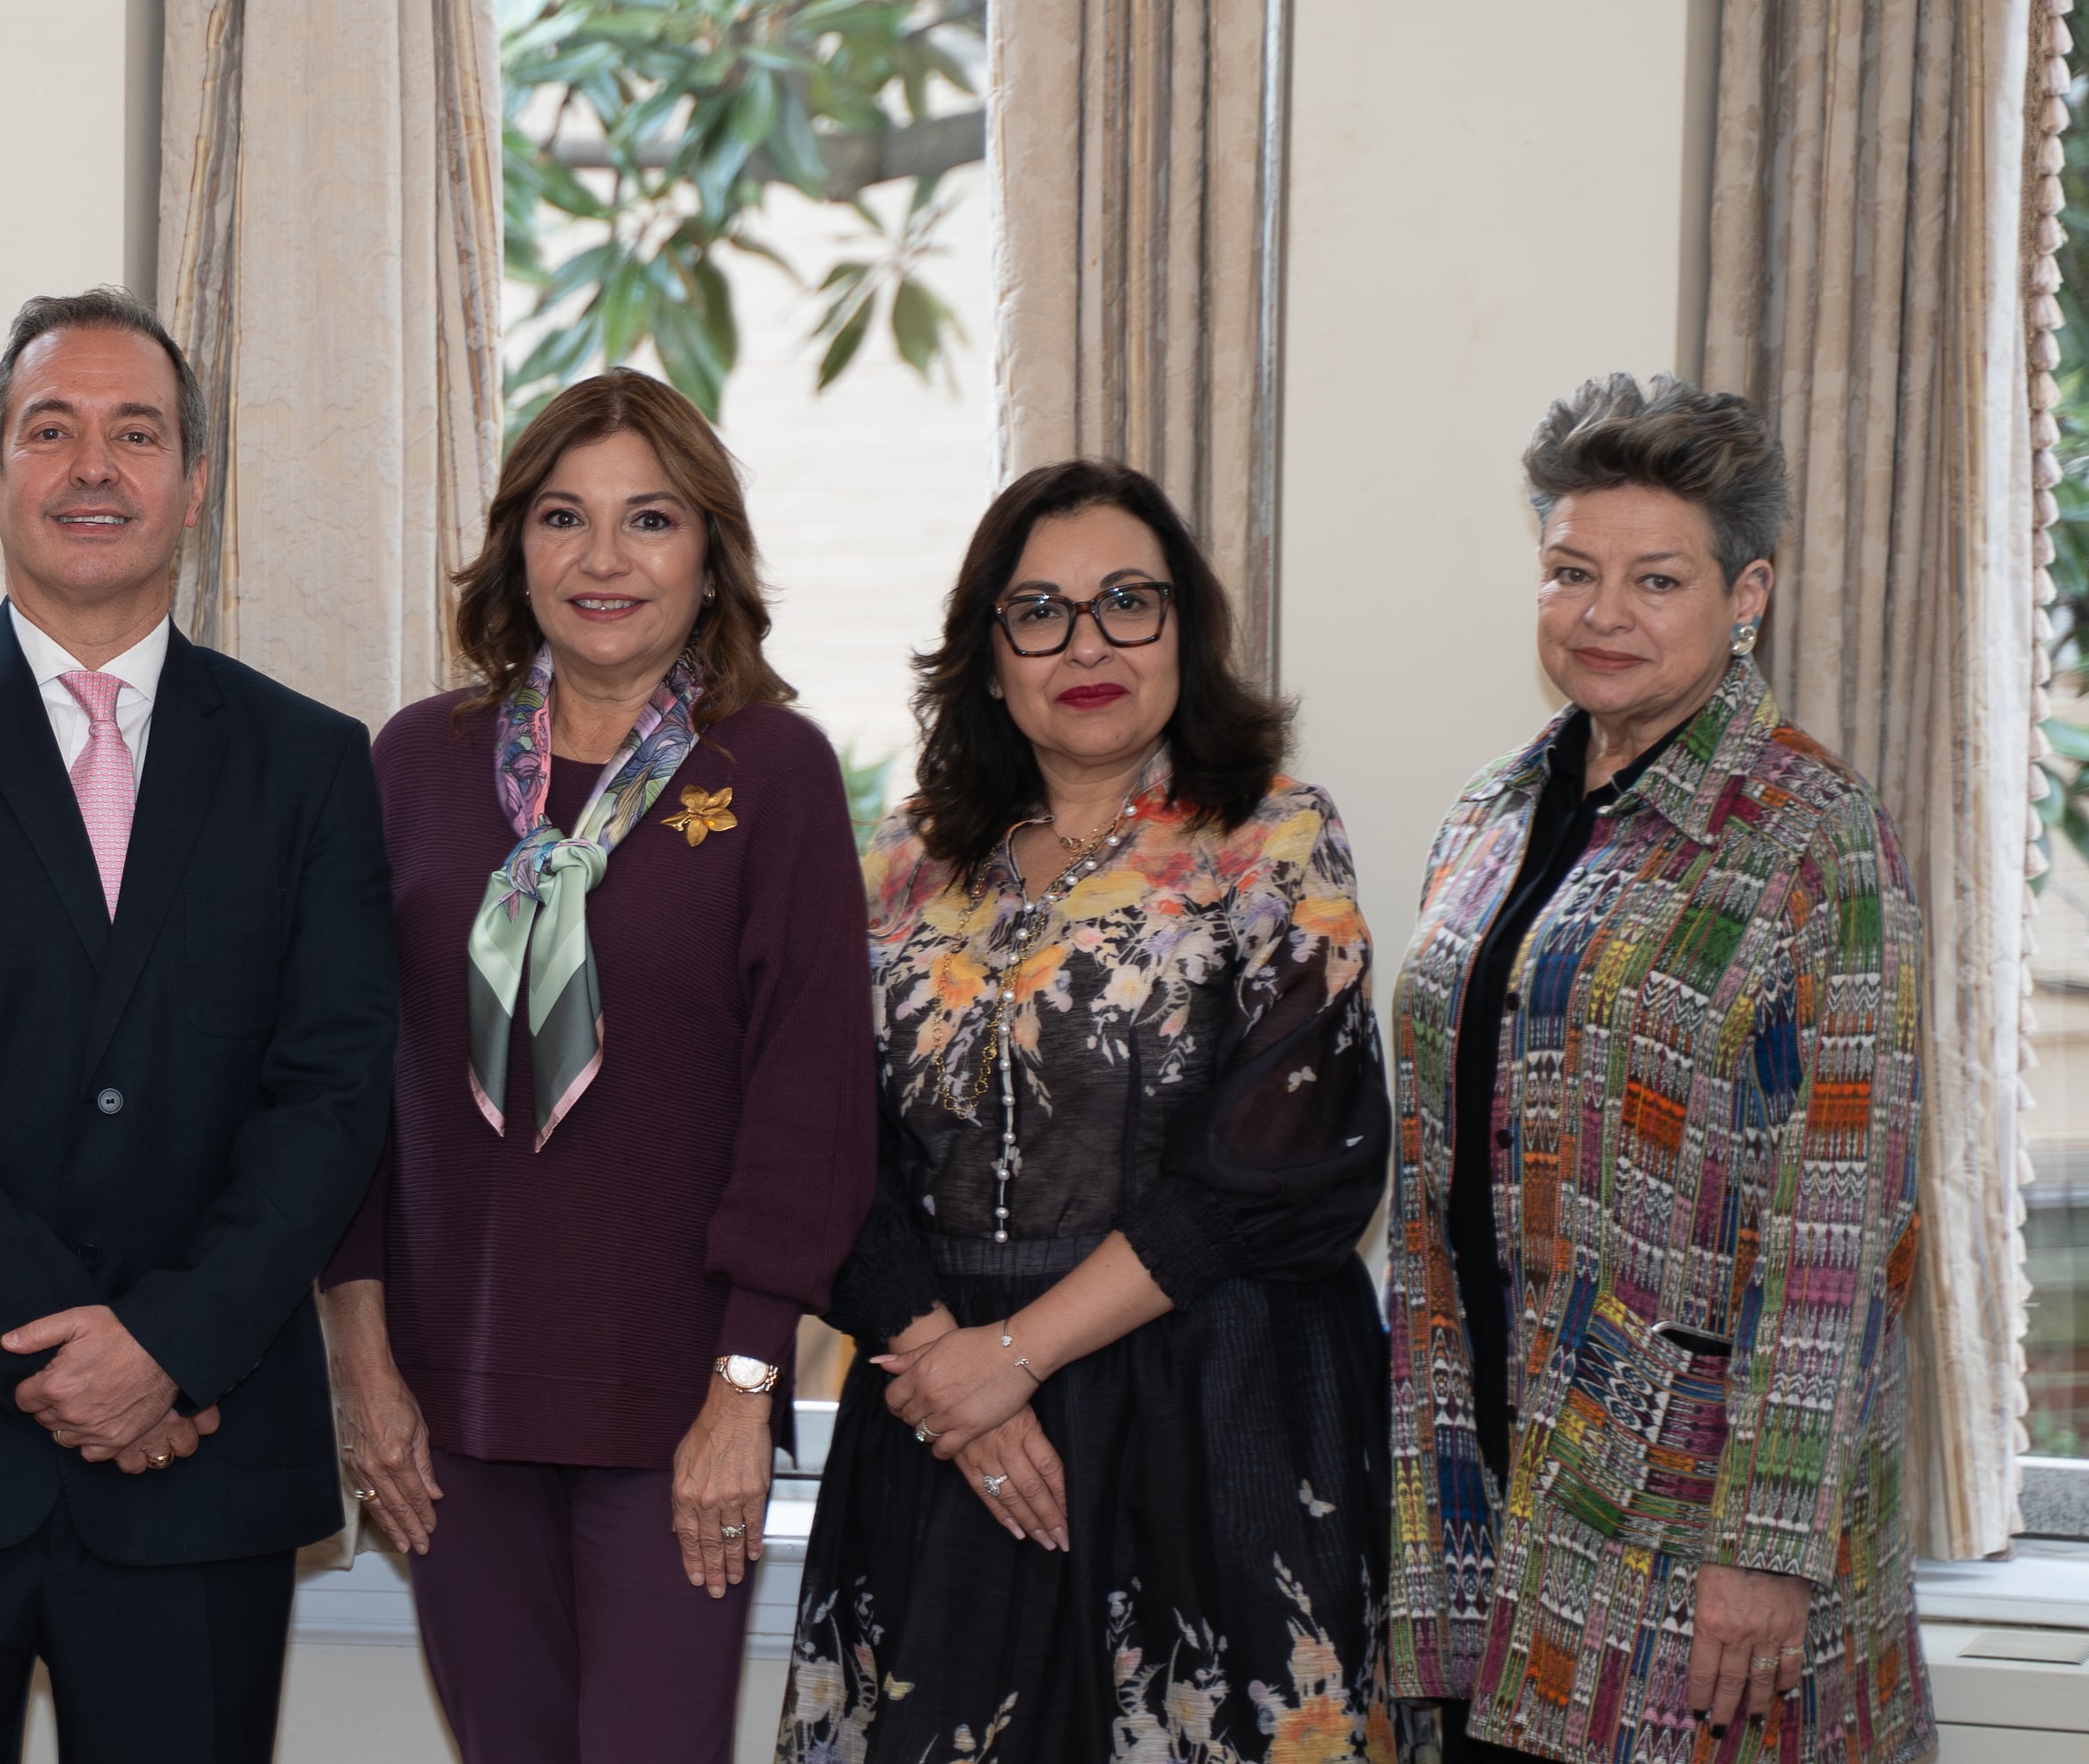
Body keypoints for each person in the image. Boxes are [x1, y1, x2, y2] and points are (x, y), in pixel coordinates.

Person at [0, 288, 395, 1762]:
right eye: (51, 431)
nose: (94, 466)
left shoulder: (310, 762)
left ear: (195, 482)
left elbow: (333, 1093)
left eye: (138, 433)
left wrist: (170, 1344)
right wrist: (82, 1362)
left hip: (203, 1453)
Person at [782, 460, 1394, 1762]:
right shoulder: (896, 866)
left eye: (1127, 601)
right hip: (945, 1426)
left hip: (1210, 1413)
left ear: (1185, 626)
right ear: (987, 654)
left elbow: (1287, 1160)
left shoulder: (1274, 839)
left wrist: (1019, 1355)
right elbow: (818, 1146)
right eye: (1040, 612)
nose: (1088, 645)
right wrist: (957, 1368)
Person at [319, 368, 873, 1758]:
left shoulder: (774, 770)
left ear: (711, 556)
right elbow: (347, 1078)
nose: (605, 558)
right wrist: (362, 1362)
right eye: (564, 516)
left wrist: (746, 1388)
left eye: (652, 519)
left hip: (679, 1404)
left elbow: (809, 1100)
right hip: (449, 1400)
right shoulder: (415, 763)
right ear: (517, 548)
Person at [1383, 376, 1934, 1764]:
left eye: (1657, 579)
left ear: (1747, 594)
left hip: (1688, 1521)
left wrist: (1767, 1549)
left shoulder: (1814, 836)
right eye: (1571, 571)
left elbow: (1839, 1226)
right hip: (1482, 1477)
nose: (1602, 613)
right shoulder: (1492, 810)